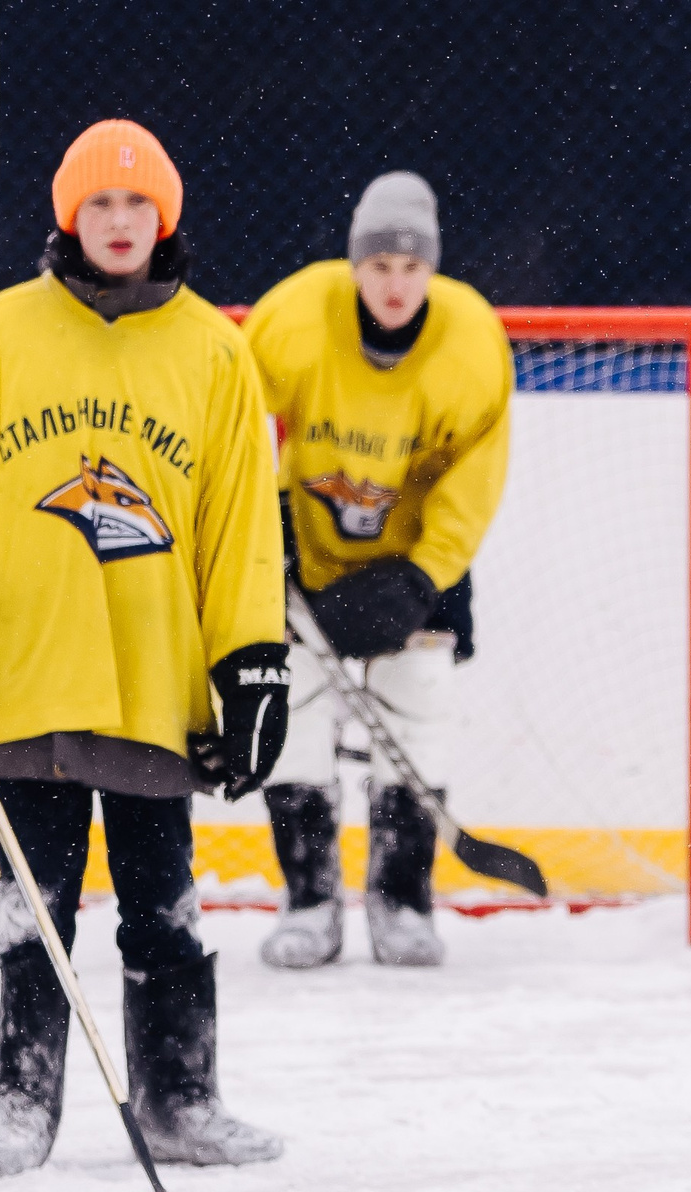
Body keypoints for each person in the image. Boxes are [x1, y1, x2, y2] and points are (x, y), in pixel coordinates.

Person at [0, 119, 290, 1176]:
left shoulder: (214, 350)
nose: (120, 221)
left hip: (153, 683)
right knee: (35, 906)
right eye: (99, 204)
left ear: (167, 216)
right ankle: (20, 1099)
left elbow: (241, 528)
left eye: (138, 203)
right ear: (71, 216)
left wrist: (252, 662)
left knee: (163, 906)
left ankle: (180, 1099)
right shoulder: (5, 332)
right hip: (24, 676)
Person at [244, 172, 514, 969]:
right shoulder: (294, 316)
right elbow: (232, 424)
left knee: (418, 706)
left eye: (410, 267)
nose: (394, 284)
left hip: (415, 564)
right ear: (355, 263)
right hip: (304, 559)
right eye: (379, 266)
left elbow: (476, 475)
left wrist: (422, 579)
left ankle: (401, 898)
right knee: (287, 709)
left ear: (431, 267)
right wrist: (261, 537)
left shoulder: (470, 341)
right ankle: (311, 900)